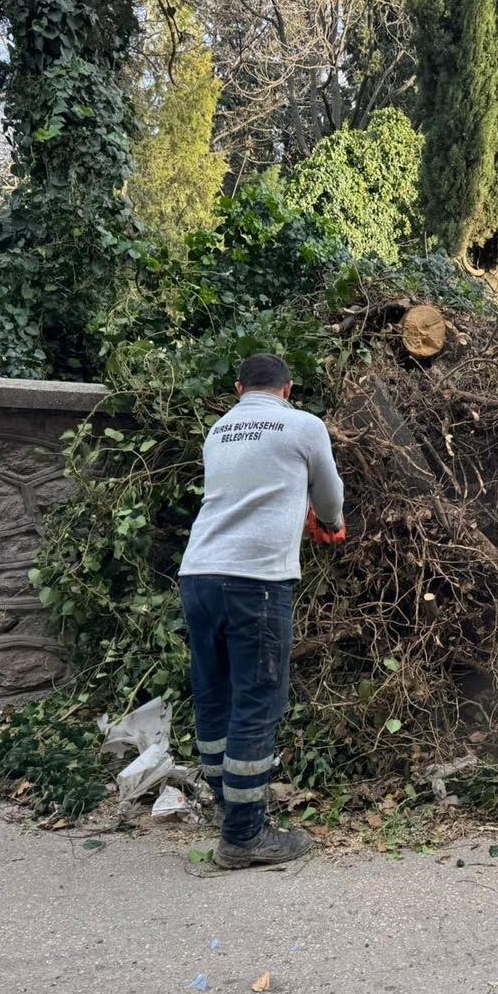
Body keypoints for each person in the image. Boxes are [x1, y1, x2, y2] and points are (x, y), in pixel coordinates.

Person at [178, 354, 347, 868]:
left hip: (199, 572)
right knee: (257, 698)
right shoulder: (302, 425)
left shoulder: (219, 430)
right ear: (288, 390)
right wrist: (330, 522)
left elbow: (248, 491)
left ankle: (228, 810)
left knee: (215, 693)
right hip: (257, 580)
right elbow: (329, 492)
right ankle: (244, 837)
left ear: (238, 388)